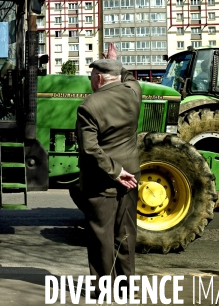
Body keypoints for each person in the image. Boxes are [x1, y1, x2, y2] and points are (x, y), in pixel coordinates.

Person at [76, 42, 141, 298]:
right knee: (126, 232)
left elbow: (90, 149)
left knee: (100, 235)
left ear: (99, 78)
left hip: (101, 179)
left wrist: (115, 171)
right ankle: (129, 288)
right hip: (132, 175)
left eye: (92, 75)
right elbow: (128, 77)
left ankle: (105, 289)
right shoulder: (133, 93)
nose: (90, 80)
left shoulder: (89, 106)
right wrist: (116, 60)